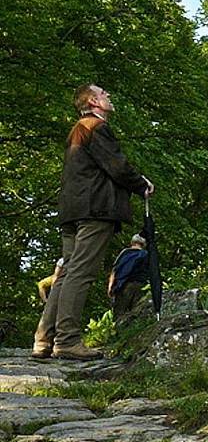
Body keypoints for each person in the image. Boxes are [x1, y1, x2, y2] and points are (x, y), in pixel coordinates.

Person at [32, 84, 154, 360]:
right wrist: (141, 184)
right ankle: (67, 340)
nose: (109, 96)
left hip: (71, 211)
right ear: (93, 101)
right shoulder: (95, 128)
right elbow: (118, 166)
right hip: (95, 211)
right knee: (80, 273)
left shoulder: (78, 130)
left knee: (66, 273)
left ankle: (44, 339)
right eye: (104, 94)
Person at [108, 233, 149, 319]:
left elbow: (115, 270)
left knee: (119, 313)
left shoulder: (125, 253)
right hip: (140, 285)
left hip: (124, 285)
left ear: (132, 242)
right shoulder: (146, 254)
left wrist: (111, 287)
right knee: (136, 314)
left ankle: (118, 331)